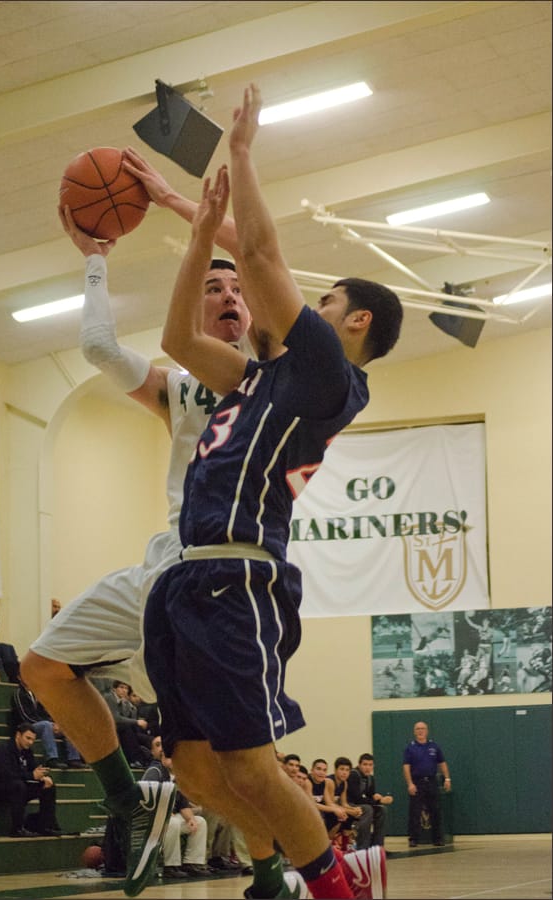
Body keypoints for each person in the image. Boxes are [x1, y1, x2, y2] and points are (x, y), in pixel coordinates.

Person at [141, 84, 402, 900]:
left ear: (350, 324)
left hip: (240, 577)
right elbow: (178, 336)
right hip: (188, 574)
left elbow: (257, 256)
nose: (296, 303)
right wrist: (190, 229)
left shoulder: (325, 374)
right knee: (192, 767)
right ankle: (292, 866)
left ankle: (331, 885)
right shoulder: (259, 380)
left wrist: (245, 154)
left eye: (324, 302)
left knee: (250, 761)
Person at [20, 170, 259, 897]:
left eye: (237, 290)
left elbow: (256, 249)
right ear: (193, 303)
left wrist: (189, 208)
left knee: (225, 763)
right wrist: (96, 257)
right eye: (211, 288)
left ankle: (274, 870)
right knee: (43, 669)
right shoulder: (179, 387)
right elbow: (97, 347)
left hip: (227, 582)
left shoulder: (272, 376)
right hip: (163, 568)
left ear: (254, 313)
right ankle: (128, 800)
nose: (226, 296)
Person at [143, 735, 210, 879]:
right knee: (172, 823)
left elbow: (182, 803)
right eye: (168, 757)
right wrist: (165, 813)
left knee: (200, 822)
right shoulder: (155, 772)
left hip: (168, 817)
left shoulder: (177, 776)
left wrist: (190, 819)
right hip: (152, 819)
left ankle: (192, 863)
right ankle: (170, 866)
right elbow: (147, 799)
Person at [0, 721, 60, 837]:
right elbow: (6, 774)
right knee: (18, 786)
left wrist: (43, 778)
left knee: (48, 787)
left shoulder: (27, 752)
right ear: (18, 735)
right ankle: (17, 829)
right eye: (27, 738)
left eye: (32, 740)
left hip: (16, 787)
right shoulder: (2, 748)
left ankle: (45, 825)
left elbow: (33, 770)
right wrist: (32, 775)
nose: (30, 742)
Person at [11, 678, 84, 769]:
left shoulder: (36, 693)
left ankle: (74, 759)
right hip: (26, 727)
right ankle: (52, 758)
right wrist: (48, 724)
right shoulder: (19, 693)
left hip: (42, 724)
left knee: (67, 726)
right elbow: (25, 716)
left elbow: (45, 713)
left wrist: (55, 723)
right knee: (46, 725)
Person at [402, 721, 451, 847]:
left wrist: (447, 778)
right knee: (415, 812)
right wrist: (410, 784)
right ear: (414, 731)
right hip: (417, 782)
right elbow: (406, 767)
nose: (420, 731)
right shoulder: (410, 748)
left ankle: (438, 839)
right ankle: (413, 839)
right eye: (417, 729)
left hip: (431, 781)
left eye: (422, 728)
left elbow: (442, 763)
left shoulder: (434, 746)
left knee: (435, 810)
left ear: (427, 731)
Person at [344, 754, 393, 849]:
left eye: (370, 765)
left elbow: (370, 796)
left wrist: (379, 798)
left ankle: (378, 847)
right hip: (349, 804)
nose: (368, 767)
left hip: (361, 804)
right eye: (365, 764)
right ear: (359, 765)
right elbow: (357, 798)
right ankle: (363, 847)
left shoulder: (370, 778)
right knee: (368, 809)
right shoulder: (353, 775)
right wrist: (378, 800)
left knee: (382, 810)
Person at [104, 681, 151, 768]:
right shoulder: (110, 697)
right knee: (127, 730)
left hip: (118, 728)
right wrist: (137, 722)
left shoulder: (122, 701)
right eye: (121, 687)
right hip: (105, 727)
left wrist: (129, 705)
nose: (124, 690)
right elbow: (116, 718)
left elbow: (127, 717)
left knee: (143, 736)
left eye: (126, 688)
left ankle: (144, 759)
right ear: (114, 689)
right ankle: (134, 760)